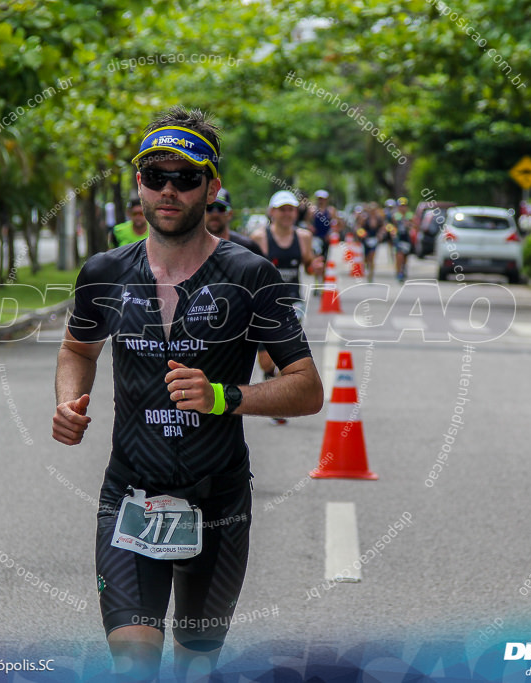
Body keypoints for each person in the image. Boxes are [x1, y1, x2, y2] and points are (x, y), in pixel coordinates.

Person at [52, 106, 323, 682]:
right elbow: (78, 350)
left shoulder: (250, 277)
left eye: (186, 177)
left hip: (217, 502)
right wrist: (69, 400)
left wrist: (225, 397)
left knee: (194, 668)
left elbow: (306, 389)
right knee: (134, 662)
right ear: (139, 185)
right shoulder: (104, 272)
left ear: (212, 185)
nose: (168, 190)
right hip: (130, 494)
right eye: (155, 176)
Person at [250, 190, 324, 424]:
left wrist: (316, 267)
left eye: (290, 209)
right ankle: (270, 378)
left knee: (285, 355)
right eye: (282, 209)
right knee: (265, 360)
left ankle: (278, 402)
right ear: (272, 212)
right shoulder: (259, 237)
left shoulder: (303, 237)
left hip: (293, 302)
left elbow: (308, 266)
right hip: (263, 303)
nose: (286, 214)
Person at [204, 188, 261, 255]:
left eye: (221, 209)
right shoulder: (192, 246)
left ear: (230, 214)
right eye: (209, 208)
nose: (215, 214)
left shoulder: (246, 247)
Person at [392, 197, 413, 281]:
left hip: (407, 238)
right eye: (401, 206)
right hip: (399, 237)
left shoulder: (410, 215)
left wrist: (410, 225)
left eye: (404, 206)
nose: (403, 208)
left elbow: (415, 225)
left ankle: (403, 269)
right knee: (399, 255)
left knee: (405, 256)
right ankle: (398, 272)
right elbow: (393, 225)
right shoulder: (396, 215)